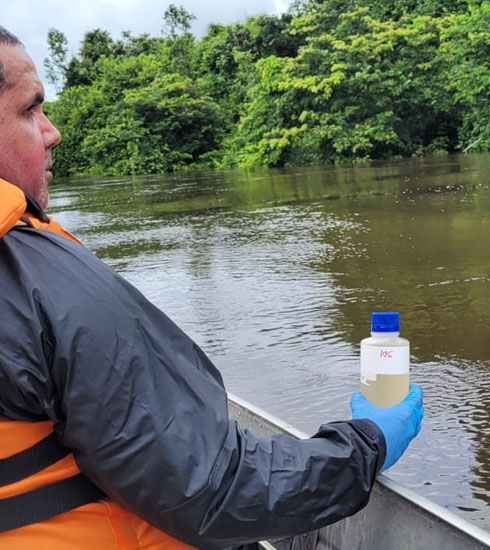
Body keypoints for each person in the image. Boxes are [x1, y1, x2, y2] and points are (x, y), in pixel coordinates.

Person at [0, 25, 423, 550]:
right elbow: (215, 490)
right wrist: (367, 444)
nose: (51, 131)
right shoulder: (39, 281)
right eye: (29, 110)